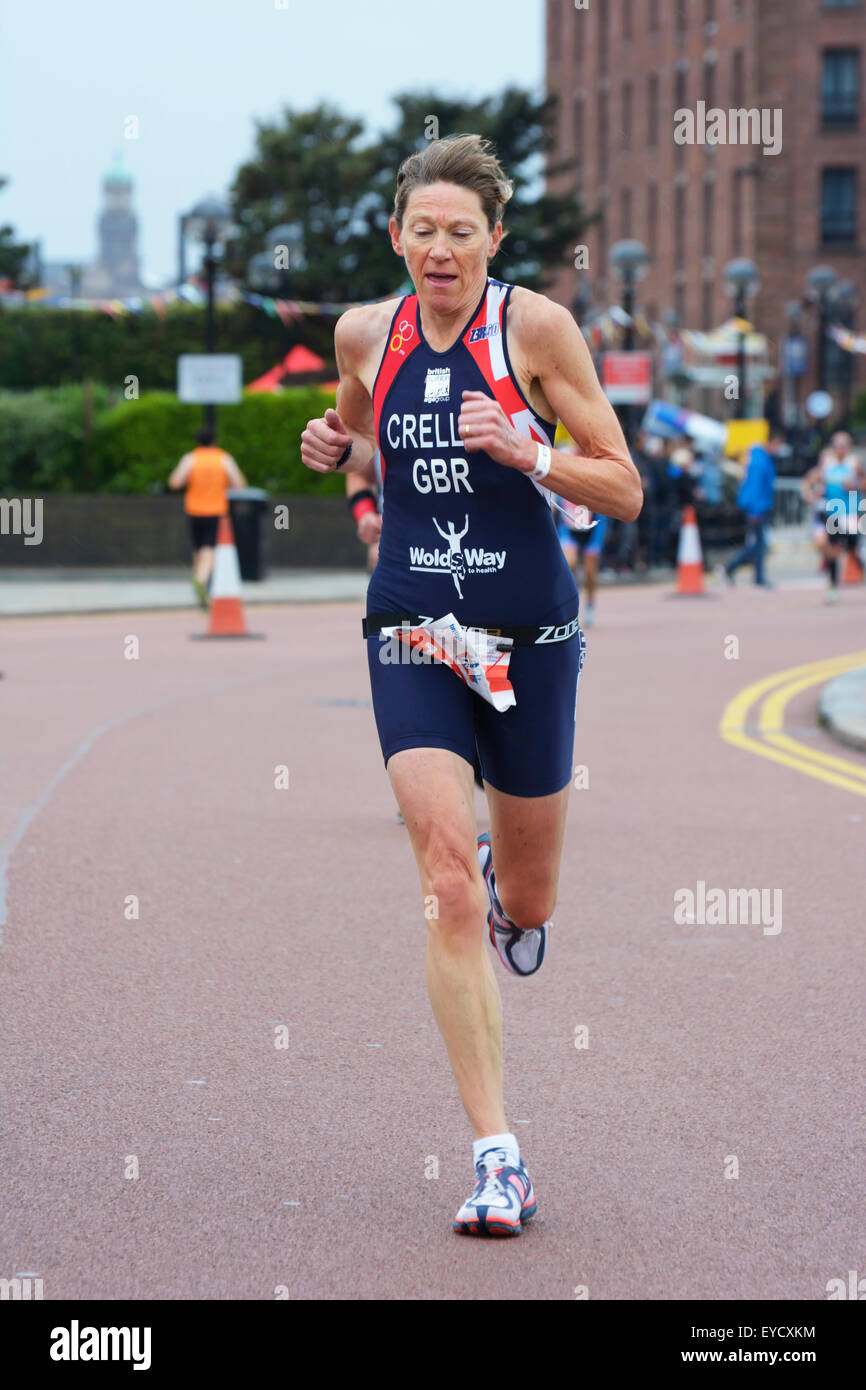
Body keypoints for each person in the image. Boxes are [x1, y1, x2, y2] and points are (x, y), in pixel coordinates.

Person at [300, 133, 641, 1237]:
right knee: (443, 880)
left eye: (461, 232)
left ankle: (513, 884)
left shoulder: (533, 329)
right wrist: (331, 450)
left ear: (494, 240)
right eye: (421, 231)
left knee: (522, 904)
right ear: (395, 236)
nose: (438, 250)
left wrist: (528, 452)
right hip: (413, 628)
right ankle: (499, 1156)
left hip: (531, 633)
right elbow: (368, 443)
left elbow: (623, 488)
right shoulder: (366, 332)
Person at [168, 427, 246, 607]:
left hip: (194, 510)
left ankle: (199, 582)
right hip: (215, 510)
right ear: (214, 441)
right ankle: (201, 580)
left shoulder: (190, 459)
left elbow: (174, 482)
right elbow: (240, 483)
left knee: (197, 549)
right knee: (209, 548)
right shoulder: (223, 458)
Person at [801, 432, 863, 603]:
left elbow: (863, 483)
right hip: (832, 515)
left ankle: (856, 569)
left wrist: (855, 485)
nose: (840, 449)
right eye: (837, 445)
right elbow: (810, 480)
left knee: (853, 550)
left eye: (843, 445)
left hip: (850, 513)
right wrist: (810, 495)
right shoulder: (827, 463)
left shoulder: (854, 463)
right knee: (832, 550)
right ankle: (833, 588)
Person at [724, 430, 781, 588]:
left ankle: (755, 575)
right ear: (771, 443)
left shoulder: (762, 458)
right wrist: (754, 511)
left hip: (760, 506)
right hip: (757, 507)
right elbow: (755, 488)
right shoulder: (760, 461)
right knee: (759, 544)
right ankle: (736, 568)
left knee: (759, 544)